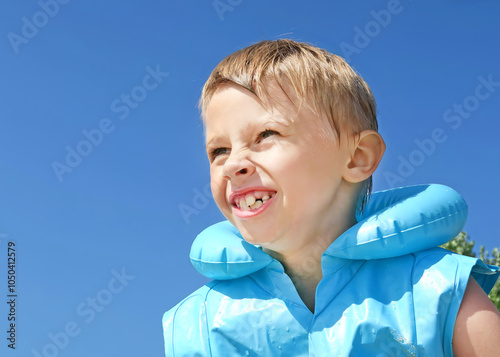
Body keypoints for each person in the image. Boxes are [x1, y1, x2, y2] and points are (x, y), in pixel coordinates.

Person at [162, 39, 500, 356]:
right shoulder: (199, 322)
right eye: (218, 150)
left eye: (266, 134)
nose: (233, 163)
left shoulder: (439, 290)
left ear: (357, 157)